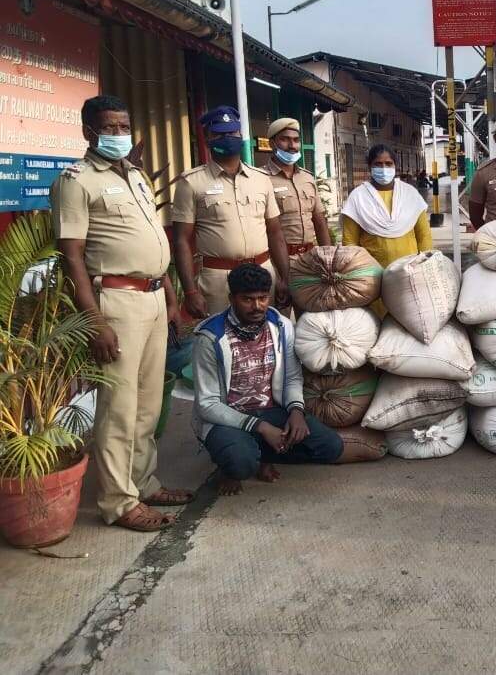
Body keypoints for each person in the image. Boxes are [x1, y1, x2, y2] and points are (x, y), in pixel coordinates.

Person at [50, 95, 193, 532]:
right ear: (88, 132)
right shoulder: (75, 182)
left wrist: (170, 297)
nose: (119, 134)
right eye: (110, 128)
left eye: (124, 126)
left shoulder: (134, 175)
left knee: (149, 404)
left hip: (152, 298)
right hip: (116, 302)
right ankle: (117, 501)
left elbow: (153, 243)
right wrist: (95, 320)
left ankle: (143, 483)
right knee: (119, 407)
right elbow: (71, 256)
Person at [192, 264, 344, 495]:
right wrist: (262, 427)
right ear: (232, 298)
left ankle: (261, 454)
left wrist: (296, 411)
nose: (257, 306)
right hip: (229, 416)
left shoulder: (281, 326)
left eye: (263, 298)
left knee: (330, 447)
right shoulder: (210, 337)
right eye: (248, 299)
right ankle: (234, 464)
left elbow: (292, 376)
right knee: (240, 463)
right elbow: (207, 404)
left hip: (271, 409)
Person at [172, 106, 290, 318]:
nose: (227, 138)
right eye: (220, 134)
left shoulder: (261, 179)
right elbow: (181, 240)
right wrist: (190, 291)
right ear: (207, 138)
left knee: (267, 338)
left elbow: (275, 233)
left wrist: (284, 278)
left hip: (263, 273)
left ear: (240, 135)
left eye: (232, 133)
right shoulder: (191, 182)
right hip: (218, 280)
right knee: (223, 341)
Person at [340, 144, 432, 270]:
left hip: (409, 271)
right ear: (369, 167)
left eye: (388, 164)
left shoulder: (410, 194)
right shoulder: (358, 197)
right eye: (378, 164)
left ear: (395, 166)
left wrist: (424, 264)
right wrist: (358, 270)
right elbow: (350, 241)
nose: (384, 168)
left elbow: (424, 235)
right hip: (371, 272)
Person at [262, 117, 332, 259]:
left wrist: (328, 255)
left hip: (310, 257)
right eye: (285, 139)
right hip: (279, 259)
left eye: (296, 140)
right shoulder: (261, 178)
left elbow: (319, 221)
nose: (292, 145)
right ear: (272, 143)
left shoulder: (307, 178)